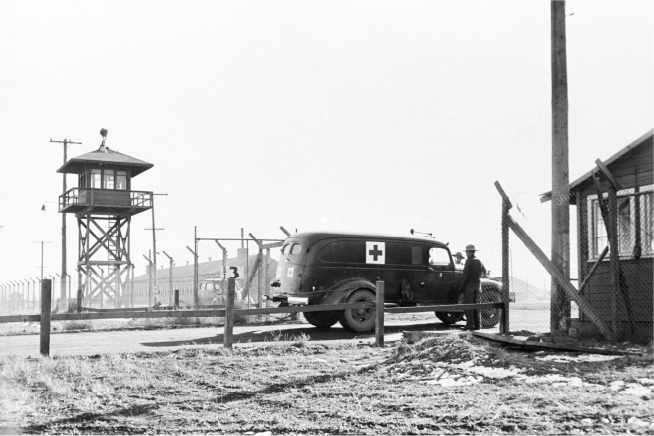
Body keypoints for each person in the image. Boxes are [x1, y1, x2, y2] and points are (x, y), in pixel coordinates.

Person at [459, 244, 486, 330]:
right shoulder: (479, 261)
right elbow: (484, 272)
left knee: (468, 306)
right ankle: (477, 325)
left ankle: (469, 325)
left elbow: (465, 275)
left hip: (469, 286)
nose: (466, 253)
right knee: (476, 306)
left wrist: (461, 287)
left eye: (467, 252)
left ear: (470, 252)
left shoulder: (468, 261)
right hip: (478, 286)